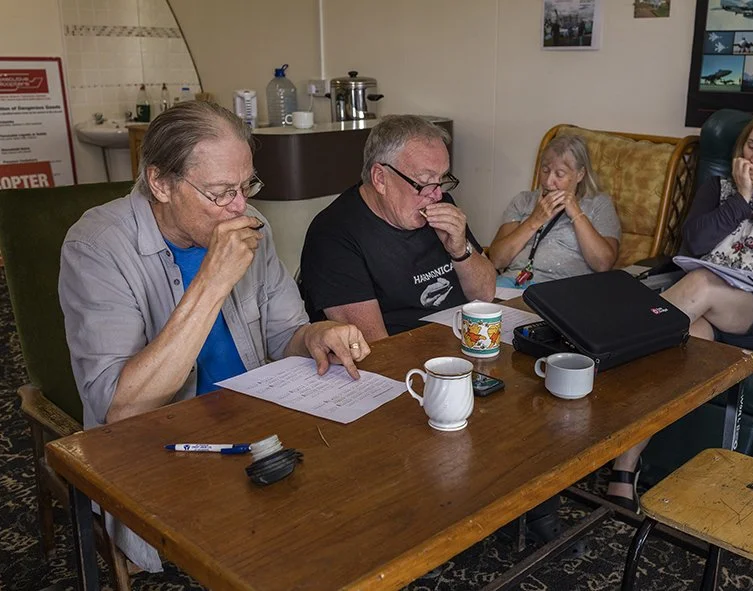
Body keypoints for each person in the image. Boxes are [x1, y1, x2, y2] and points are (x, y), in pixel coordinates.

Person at [59, 100, 370, 572]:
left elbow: (285, 330)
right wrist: (211, 281)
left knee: (361, 490)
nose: (241, 207)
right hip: (165, 448)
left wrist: (315, 335)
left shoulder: (251, 225)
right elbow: (120, 407)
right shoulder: (97, 247)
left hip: (255, 422)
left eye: (247, 186)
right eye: (222, 192)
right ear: (160, 182)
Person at [607, 105, 753, 510]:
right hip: (699, 309)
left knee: (699, 285)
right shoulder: (720, 185)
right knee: (675, 353)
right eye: (752, 146)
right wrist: (742, 200)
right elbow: (692, 243)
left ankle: (610, 356)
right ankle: (625, 468)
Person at [300, 114, 496, 341]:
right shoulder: (333, 236)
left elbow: (485, 295)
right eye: (424, 181)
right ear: (380, 178)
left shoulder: (439, 203)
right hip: (404, 361)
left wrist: (460, 251)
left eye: (441, 179)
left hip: (461, 341)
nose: (437, 194)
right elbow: (376, 349)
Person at [487, 134, 620, 287]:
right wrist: (534, 221)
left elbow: (603, 264)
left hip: (564, 289)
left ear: (580, 174)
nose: (548, 181)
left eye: (559, 174)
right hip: (512, 284)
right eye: (545, 170)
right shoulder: (523, 201)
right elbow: (496, 260)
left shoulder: (599, 204)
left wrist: (577, 214)